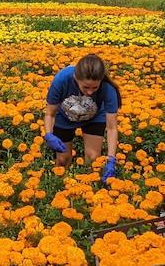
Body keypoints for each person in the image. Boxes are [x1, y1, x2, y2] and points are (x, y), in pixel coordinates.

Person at [42, 53, 121, 184]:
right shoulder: (62, 79)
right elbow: (50, 113)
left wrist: (111, 159)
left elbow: (112, 128)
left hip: (94, 117)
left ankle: (88, 189)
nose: (90, 92)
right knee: (63, 160)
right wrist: (49, 135)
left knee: (93, 158)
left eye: (95, 87)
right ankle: (59, 188)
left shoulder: (108, 88)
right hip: (65, 117)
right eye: (85, 87)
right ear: (76, 78)